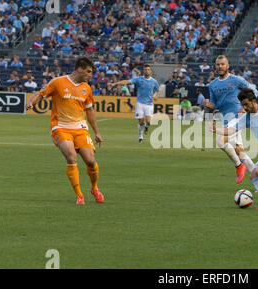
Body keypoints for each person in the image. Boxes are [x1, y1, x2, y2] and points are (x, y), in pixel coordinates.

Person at [25, 56, 104, 205]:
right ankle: (79, 195)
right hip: (60, 127)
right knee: (71, 157)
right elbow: (41, 94)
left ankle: (94, 188)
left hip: (80, 128)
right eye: (88, 71)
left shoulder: (86, 88)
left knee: (91, 161)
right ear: (79, 69)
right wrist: (30, 102)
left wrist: (97, 132)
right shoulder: (58, 82)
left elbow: (90, 111)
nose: (90, 75)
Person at [204, 55, 258, 184]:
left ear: (228, 66)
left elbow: (253, 91)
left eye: (222, 64)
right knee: (239, 151)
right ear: (215, 67)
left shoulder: (236, 80)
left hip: (238, 117)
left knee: (220, 140)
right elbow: (214, 104)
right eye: (218, 64)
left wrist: (247, 107)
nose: (220, 66)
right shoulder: (212, 85)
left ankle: (239, 166)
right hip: (226, 119)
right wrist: (208, 104)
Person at [109, 64, 160, 143]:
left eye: (148, 69)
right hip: (140, 103)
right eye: (145, 69)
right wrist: (115, 84)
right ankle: (140, 136)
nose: (147, 71)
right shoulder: (139, 79)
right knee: (141, 122)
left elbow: (158, 90)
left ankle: (146, 127)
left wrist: (156, 96)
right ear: (144, 70)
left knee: (149, 122)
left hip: (149, 104)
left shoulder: (154, 81)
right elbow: (127, 81)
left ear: (150, 71)